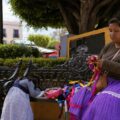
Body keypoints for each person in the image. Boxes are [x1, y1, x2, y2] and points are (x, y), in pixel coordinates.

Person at [82, 17, 120, 120]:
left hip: (117, 84)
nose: (112, 34)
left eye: (116, 31)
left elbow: (105, 64)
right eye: (110, 31)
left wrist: (105, 63)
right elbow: (100, 61)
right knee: (81, 95)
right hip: (102, 81)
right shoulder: (108, 46)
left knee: (105, 101)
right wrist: (94, 62)